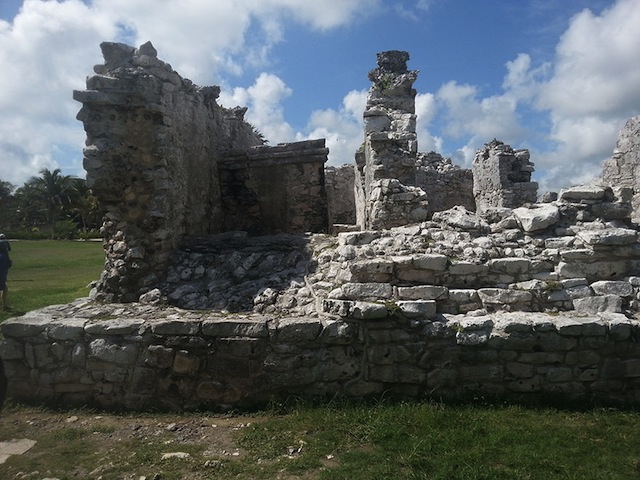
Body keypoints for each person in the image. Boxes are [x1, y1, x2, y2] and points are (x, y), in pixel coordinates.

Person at [0, 233, 12, 310]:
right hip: (2, 274)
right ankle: (5, 305)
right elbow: (8, 264)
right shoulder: (4, 256)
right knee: (4, 288)